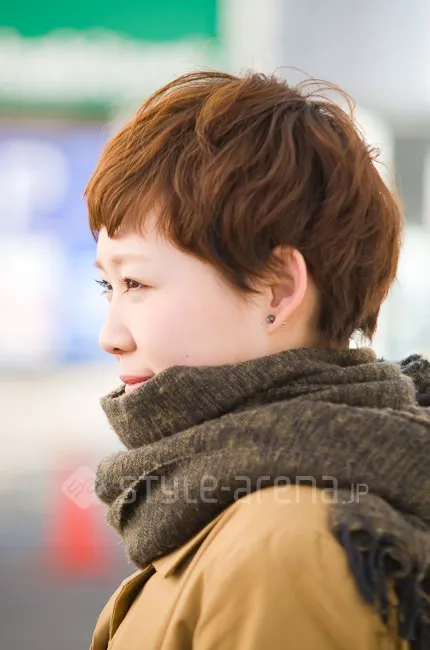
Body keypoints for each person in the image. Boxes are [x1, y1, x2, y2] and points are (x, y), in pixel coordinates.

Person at [85, 70, 430, 650]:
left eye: (136, 282)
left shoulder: (286, 546)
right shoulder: (248, 506)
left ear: (276, 290)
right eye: (107, 286)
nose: (110, 336)